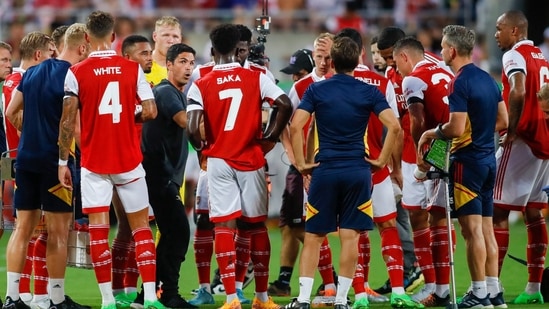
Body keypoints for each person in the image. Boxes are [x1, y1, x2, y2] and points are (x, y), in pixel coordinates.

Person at [58, 11, 164, 309]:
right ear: (114, 37)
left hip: (94, 162)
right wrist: (129, 118)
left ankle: (107, 300)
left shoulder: (76, 72)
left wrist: (62, 162)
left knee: (99, 230)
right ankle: (150, 298)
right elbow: (151, 110)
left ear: (87, 38)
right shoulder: (132, 69)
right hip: (128, 160)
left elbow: (67, 122)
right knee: (142, 229)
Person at [286, 36, 400, 309]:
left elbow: (295, 126)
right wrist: (382, 160)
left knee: (314, 235)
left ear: (332, 62)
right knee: (351, 236)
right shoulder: (369, 92)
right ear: (358, 61)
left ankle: (302, 299)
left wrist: (302, 164)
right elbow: (394, 127)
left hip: (325, 170)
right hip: (357, 170)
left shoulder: (316, 91)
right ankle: (342, 300)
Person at [187, 23, 293, 309]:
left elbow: (192, 129)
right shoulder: (255, 77)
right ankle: (261, 297)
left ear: (211, 50)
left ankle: (231, 297)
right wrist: (269, 139)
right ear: (238, 49)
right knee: (256, 226)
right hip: (251, 158)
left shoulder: (201, 82)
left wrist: (202, 150)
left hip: (218, 160)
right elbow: (284, 104)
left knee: (223, 225)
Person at [418, 24, 508, 308]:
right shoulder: (489, 80)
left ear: (453, 50)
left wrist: (431, 133)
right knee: (486, 230)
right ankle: (495, 293)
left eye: (443, 46)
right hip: (487, 160)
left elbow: (455, 128)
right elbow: (503, 122)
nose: (441, 50)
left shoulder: (458, 82)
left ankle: (479, 293)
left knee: (472, 233)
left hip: (466, 163)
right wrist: (478, 130)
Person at [333, 28, 424, 309]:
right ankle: (398, 289)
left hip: (344, 170)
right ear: (361, 51)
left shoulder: (327, 83)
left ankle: (359, 295)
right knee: (388, 226)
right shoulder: (380, 81)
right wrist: (391, 164)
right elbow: (394, 129)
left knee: (352, 233)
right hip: (376, 168)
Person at [3, 23, 89, 309]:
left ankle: (12, 297)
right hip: (55, 163)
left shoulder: (32, 72)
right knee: (57, 231)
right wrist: (64, 159)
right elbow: (68, 121)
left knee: (22, 228)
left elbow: (11, 111)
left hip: (25, 159)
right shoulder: (72, 75)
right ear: (83, 46)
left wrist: (28, 133)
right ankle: (55, 299)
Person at [275, 33, 340, 304]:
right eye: (318, 57)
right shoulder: (301, 86)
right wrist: (298, 162)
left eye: (327, 57)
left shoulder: (343, 83)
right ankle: (329, 284)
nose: (323, 62)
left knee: (322, 228)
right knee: (301, 226)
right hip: (307, 169)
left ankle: (335, 285)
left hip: (334, 167)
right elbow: (287, 128)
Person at [392, 36, 455, 306]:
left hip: (437, 146)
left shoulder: (412, 78)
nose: (395, 70)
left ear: (405, 57)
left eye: (396, 63)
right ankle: (474, 286)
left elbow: (416, 119)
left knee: (438, 217)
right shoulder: (442, 66)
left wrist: (423, 155)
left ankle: (439, 289)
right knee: (460, 220)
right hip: (462, 142)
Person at [493, 10, 549, 305]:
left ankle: (491, 287)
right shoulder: (542, 56)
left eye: (499, 28)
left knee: (498, 213)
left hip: (523, 139)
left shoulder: (514, 55)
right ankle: (533, 288)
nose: (495, 34)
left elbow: (517, 90)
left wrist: (511, 129)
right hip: (544, 141)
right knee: (534, 213)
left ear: (515, 31)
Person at [141, 43, 197, 309]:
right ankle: (169, 293)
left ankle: (148, 294)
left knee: (170, 233)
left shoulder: (175, 93)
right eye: (183, 62)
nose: (188, 67)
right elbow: (187, 122)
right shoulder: (165, 91)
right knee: (178, 232)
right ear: (170, 64)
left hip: (163, 175)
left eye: (191, 63)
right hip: (159, 173)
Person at [110, 34, 154, 308]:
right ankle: (119, 289)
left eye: (150, 52)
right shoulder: (123, 81)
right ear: (127, 57)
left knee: (134, 227)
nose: (148, 57)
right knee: (130, 226)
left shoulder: (151, 78)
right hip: (123, 161)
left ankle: (128, 287)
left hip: (143, 160)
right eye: (143, 53)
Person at [267, 48, 315, 298]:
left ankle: (332, 279)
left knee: (300, 227)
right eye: (293, 74)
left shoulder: (306, 87)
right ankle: (284, 280)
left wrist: (295, 157)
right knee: (288, 224)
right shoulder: (304, 87)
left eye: (299, 73)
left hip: (307, 165)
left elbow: (283, 120)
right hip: (298, 164)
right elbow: (285, 121)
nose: (295, 78)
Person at [146, 16, 182, 86]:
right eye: (166, 35)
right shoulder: (141, 67)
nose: (171, 41)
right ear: (155, 36)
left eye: (175, 37)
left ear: (180, 39)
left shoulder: (185, 69)